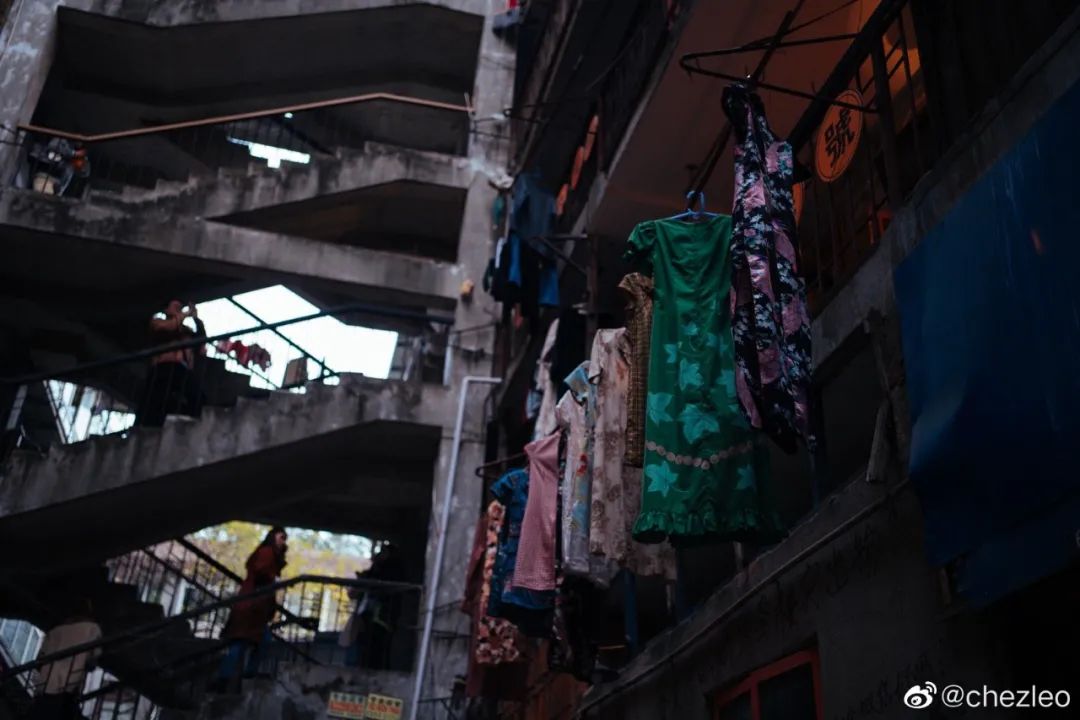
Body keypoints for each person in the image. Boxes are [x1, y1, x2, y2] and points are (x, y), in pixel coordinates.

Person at [212, 527, 288, 692]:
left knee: (252, 643)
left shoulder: (269, 554)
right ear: (273, 537)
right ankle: (229, 679)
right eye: (281, 537)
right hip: (251, 608)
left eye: (285, 538)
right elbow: (260, 572)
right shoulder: (267, 552)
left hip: (254, 609)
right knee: (243, 644)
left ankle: (233, 678)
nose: (283, 541)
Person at [136, 300, 206, 426]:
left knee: (196, 396)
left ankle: (193, 422)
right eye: (175, 307)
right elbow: (169, 327)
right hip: (162, 367)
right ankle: (145, 424)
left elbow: (200, 341)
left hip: (181, 368)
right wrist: (184, 314)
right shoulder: (158, 322)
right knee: (153, 399)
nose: (179, 310)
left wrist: (196, 319)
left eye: (180, 308)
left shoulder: (186, 331)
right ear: (166, 310)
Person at [32, 601, 102, 719]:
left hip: (47, 682)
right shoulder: (92, 628)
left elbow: (41, 658)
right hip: (71, 682)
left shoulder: (55, 631)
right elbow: (93, 659)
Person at [339, 543, 404, 669]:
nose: (378, 556)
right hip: (368, 616)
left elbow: (383, 589)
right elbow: (353, 593)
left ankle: (370, 668)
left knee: (376, 648)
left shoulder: (391, 572)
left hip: (381, 618)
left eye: (384, 553)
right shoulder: (375, 571)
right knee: (364, 647)